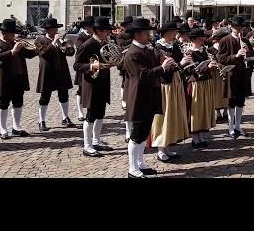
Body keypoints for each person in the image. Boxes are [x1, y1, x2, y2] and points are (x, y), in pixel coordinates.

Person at [123, 18, 168, 178]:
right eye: (146, 32)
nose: (149, 34)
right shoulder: (132, 53)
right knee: (136, 134)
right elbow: (142, 75)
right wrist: (162, 68)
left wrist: (162, 59)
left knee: (144, 132)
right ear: (137, 34)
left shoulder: (146, 49)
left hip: (149, 95)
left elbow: (151, 67)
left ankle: (140, 163)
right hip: (139, 97)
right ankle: (132, 168)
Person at [73, 17, 118, 157]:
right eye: (106, 30)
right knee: (91, 115)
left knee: (100, 113)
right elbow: (77, 65)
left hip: (103, 82)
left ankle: (96, 141)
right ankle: (87, 146)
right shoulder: (87, 44)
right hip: (91, 83)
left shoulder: (105, 43)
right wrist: (91, 66)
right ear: (98, 31)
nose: (108, 33)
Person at [150, 21, 190, 162]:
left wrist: (185, 62)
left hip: (175, 83)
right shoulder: (158, 48)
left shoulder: (174, 46)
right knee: (164, 115)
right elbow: (162, 70)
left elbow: (178, 65)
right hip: (165, 85)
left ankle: (168, 146)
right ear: (167, 33)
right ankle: (160, 148)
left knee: (173, 114)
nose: (176, 34)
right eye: (174, 31)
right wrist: (181, 63)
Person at [0, 19, 38, 139]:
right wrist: (12, 52)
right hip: (4, 79)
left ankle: (16, 127)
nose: (15, 36)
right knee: (3, 103)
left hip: (19, 78)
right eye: (12, 34)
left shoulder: (16, 43)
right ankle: (3, 129)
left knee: (18, 103)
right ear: (4, 33)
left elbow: (29, 55)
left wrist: (37, 49)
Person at [35, 17, 76, 131]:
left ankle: (65, 117)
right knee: (45, 97)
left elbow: (70, 54)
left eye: (56, 29)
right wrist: (53, 43)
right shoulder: (40, 40)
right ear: (47, 30)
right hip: (47, 72)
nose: (55, 31)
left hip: (61, 71)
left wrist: (69, 47)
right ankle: (41, 121)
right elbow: (43, 53)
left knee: (64, 95)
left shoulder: (61, 40)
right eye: (52, 29)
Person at [216, 15, 254, 138]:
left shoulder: (245, 40)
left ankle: (238, 125)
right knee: (231, 101)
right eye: (236, 27)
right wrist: (236, 56)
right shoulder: (225, 40)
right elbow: (221, 59)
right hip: (231, 75)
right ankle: (230, 127)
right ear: (231, 27)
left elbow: (252, 56)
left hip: (243, 74)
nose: (238, 30)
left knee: (241, 100)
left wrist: (248, 52)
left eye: (240, 27)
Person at [184, 27, 216, 149]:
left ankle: (201, 136)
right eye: (200, 38)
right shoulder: (189, 52)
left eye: (203, 38)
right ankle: (195, 138)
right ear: (194, 39)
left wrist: (212, 65)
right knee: (196, 110)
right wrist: (207, 67)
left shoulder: (204, 51)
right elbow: (192, 70)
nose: (203, 40)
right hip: (196, 84)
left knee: (204, 110)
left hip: (206, 83)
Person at [74, 16, 94, 122]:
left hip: (94, 67)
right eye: (91, 26)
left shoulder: (94, 36)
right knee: (81, 90)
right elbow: (80, 50)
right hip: (83, 66)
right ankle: (80, 112)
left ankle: (90, 110)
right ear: (87, 27)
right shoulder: (80, 37)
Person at [209, 28, 230, 123]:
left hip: (226, 71)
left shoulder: (227, 47)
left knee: (226, 91)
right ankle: (218, 113)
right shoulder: (211, 49)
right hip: (216, 74)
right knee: (216, 92)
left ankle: (226, 111)